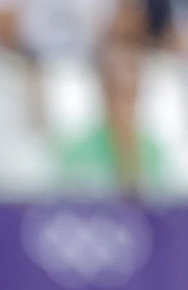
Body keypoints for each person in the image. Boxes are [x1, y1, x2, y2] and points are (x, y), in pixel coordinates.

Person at [58, 34, 165, 193]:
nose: (123, 105)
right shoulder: (76, 152)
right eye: (116, 93)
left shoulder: (155, 153)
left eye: (129, 94)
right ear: (104, 96)